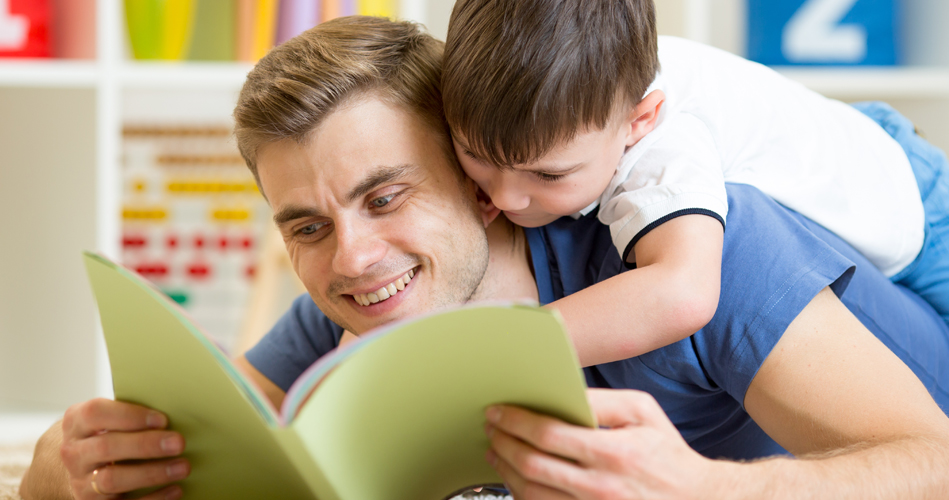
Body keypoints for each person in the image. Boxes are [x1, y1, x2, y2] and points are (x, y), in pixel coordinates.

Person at [19, 17, 949, 500]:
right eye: (305, 226)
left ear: (475, 177)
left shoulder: (703, 244)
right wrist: (61, 477)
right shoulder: (358, 309)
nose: (352, 256)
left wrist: (699, 490)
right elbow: (245, 457)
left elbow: (933, 464)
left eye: (387, 197)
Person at [440, 0, 949, 369]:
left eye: (549, 175)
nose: (505, 197)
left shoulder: (665, 145)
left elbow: (682, 294)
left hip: (913, 202)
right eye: (477, 155)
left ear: (640, 121)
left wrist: (492, 352)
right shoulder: (581, 101)